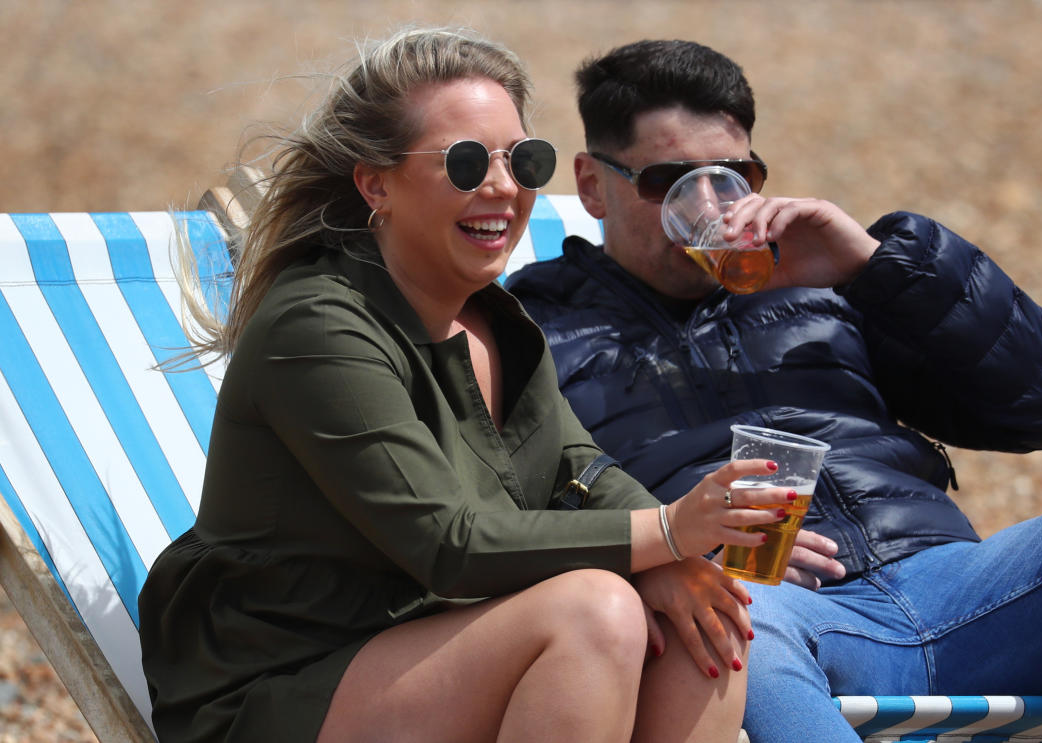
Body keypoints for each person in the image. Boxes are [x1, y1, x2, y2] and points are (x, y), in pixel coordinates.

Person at [504, 38, 1042, 743]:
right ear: (594, 185)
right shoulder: (523, 330)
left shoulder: (822, 278)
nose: (705, 204)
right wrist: (667, 548)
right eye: (669, 181)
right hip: (767, 609)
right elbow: (491, 518)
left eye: (732, 176)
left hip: (957, 584)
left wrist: (873, 268)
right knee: (720, 630)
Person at [137, 27, 791, 743]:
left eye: (523, 160)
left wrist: (672, 565)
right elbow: (448, 544)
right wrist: (667, 529)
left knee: (705, 620)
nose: (505, 187)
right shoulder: (317, 327)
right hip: (281, 684)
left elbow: (583, 471)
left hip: (431, 640)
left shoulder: (493, 321)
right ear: (375, 183)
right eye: (466, 161)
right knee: (593, 610)